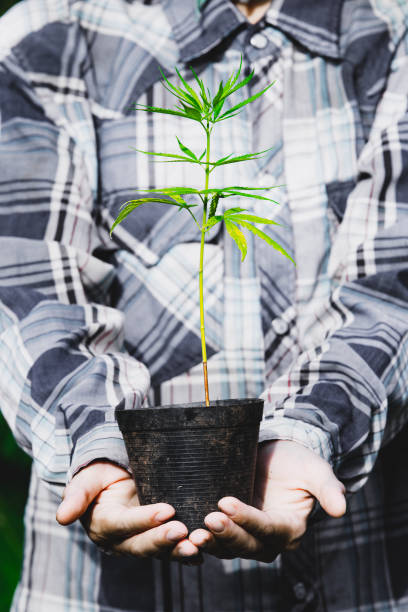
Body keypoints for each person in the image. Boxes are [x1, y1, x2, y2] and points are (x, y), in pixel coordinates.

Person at [1, 0, 407, 609]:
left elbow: (393, 287)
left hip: (360, 578)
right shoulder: (50, 34)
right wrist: (99, 449)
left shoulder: (392, 29)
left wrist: (310, 432)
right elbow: (24, 285)